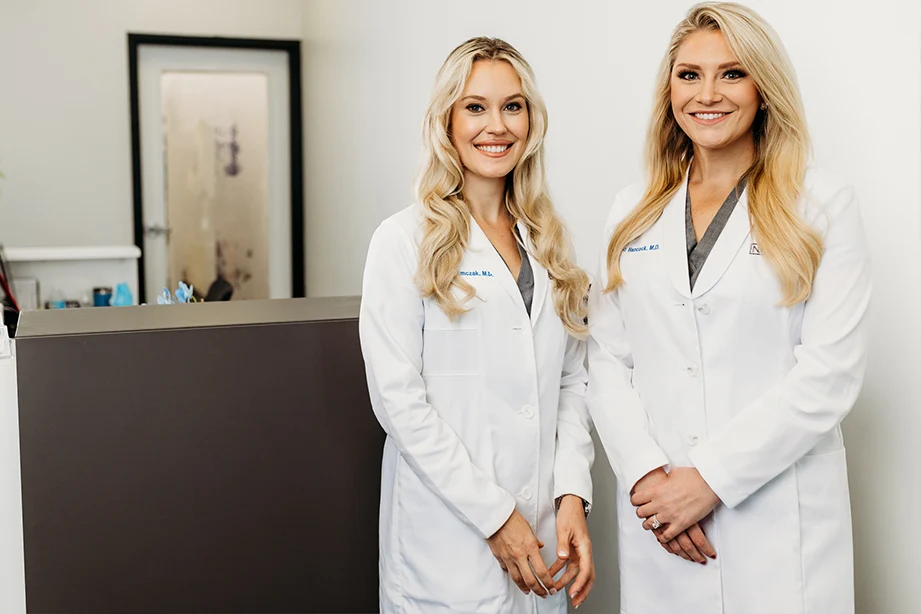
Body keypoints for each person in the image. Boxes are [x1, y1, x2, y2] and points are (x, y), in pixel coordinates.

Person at [587, 3, 870, 613]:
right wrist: (647, 476)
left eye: (731, 74)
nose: (707, 94)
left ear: (763, 89)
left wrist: (709, 478)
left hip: (776, 525)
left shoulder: (820, 204)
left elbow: (828, 375)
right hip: (662, 522)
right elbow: (607, 360)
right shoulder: (631, 208)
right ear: (670, 90)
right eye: (689, 75)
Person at [359, 37, 596, 613]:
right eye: (475, 107)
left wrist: (571, 495)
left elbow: (572, 383)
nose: (497, 126)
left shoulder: (550, 244)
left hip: (543, 534)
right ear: (446, 120)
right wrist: (493, 515)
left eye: (513, 106)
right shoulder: (402, 241)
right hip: (449, 546)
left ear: (532, 120)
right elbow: (399, 403)